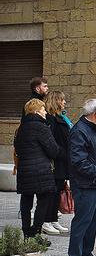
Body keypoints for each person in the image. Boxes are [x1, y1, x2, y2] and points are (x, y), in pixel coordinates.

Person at [67, 99, 96, 256]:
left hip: (95, 182)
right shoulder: (80, 130)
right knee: (83, 220)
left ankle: (86, 252)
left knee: (93, 219)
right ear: (95, 113)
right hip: (86, 183)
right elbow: (78, 159)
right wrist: (95, 172)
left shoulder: (92, 129)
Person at [14, 99, 59, 239]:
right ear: (36, 111)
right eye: (43, 109)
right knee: (44, 200)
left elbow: (17, 149)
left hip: (24, 170)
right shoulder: (41, 127)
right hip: (40, 171)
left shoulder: (20, 128)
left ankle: (27, 232)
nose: (45, 112)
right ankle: (36, 232)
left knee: (26, 202)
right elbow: (53, 150)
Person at [44, 91, 72, 234]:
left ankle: (54, 219)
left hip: (63, 160)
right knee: (52, 191)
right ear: (56, 101)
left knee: (58, 189)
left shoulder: (62, 117)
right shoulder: (51, 119)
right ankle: (46, 220)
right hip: (57, 161)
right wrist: (60, 153)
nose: (64, 102)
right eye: (62, 100)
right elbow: (51, 141)